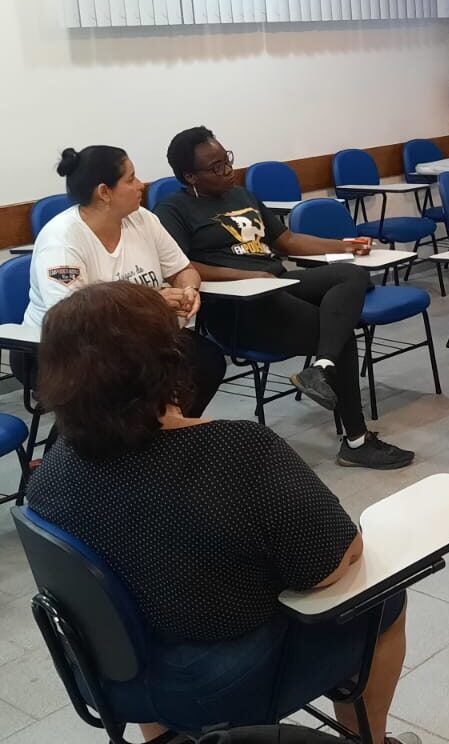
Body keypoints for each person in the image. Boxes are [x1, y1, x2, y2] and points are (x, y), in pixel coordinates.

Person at [24, 282, 420, 744]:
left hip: (110, 679)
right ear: (169, 359)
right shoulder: (238, 450)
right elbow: (333, 564)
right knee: (385, 600)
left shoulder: (51, 472)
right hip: (220, 682)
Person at [155, 126, 412, 470]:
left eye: (227, 160)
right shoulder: (173, 209)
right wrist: (246, 276)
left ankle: (320, 368)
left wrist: (345, 246)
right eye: (216, 167)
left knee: (352, 275)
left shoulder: (241, 195)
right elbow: (183, 267)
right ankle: (356, 441)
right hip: (240, 304)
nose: (228, 170)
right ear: (190, 176)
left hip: (276, 282)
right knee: (338, 335)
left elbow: (287, 241)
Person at [21, 145, 225, 416]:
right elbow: (74, 320)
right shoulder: (62, 241)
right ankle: (95, 443)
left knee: (205, 361)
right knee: (133, 380)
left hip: (133, 339)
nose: (141, 185)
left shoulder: (142, 219)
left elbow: (183, 270)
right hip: (65, 351)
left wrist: (189, 289)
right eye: (131, 179)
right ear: (104, 192)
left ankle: (169, 433)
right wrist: (150, 303)